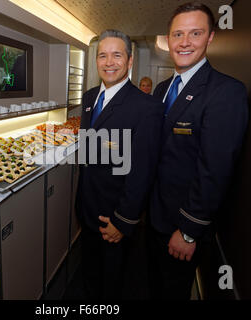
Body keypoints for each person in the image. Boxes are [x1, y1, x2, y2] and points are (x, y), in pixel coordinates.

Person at [147, 2, 248, 300]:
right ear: (168, 40)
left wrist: (190, 230)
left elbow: (215, 168)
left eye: (195, 33)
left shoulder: (226, 92)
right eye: (178, 34)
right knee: (153, 287)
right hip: (154, 217)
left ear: (211, 37)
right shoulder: (161, 89)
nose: (185, 42)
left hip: (182, 225)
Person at [75, 29, 164, 299]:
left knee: (112, 282)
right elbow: (89, 151)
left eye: (117, 55)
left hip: (114, 216)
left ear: (130, 60)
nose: (108, 62)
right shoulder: (90, 98)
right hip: (87, 207)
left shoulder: (146, 107)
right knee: (89, 274)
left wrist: (123, 221)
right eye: (102, 55)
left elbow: (142, 171)